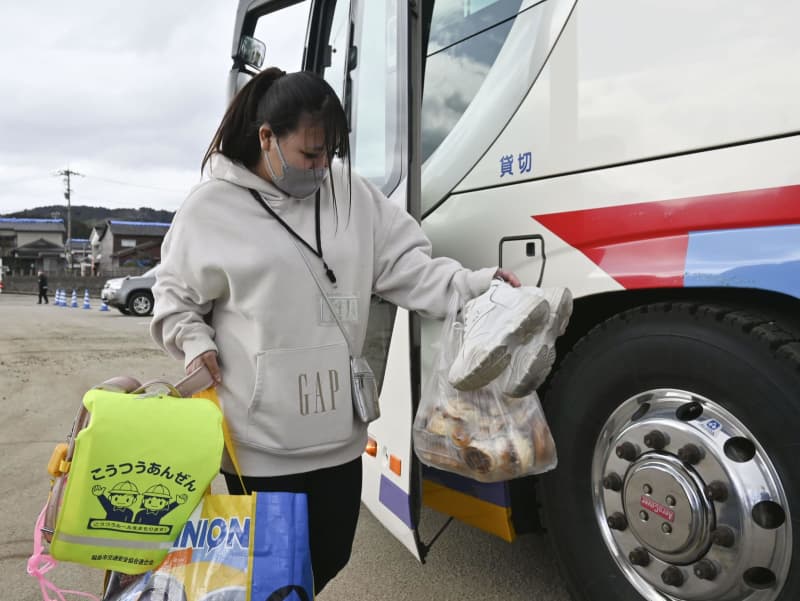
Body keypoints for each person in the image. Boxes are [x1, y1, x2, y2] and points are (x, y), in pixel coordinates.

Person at [150, 67, 520, 594]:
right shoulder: (211, 209)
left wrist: (476, 286)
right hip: (259, 443)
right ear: (267, 138)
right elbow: (174, 300)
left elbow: (409, 268)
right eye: (309, 153)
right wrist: (194, 343)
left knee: (330, 556)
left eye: (331, 152)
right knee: (268, 579)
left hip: (339, 436)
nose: (322, 166)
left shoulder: (352, 194)